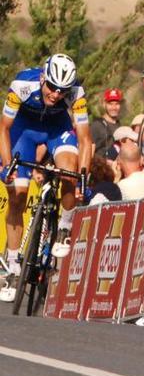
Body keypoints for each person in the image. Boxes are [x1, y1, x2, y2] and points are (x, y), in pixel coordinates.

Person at [0, 54, 93, 301]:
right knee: (18, 198)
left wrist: (83, 175)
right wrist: (8, 165)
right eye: (51, 86)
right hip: (23, 132)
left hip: (57, 130)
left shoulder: (76, 94)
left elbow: (85, 139)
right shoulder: (22, 85)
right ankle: (11, 264)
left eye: (62, 90)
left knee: (69, 173)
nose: (55, 94)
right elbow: (4, 128)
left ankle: (64, 226)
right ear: (43, 78)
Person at [90, 88, 123, 159]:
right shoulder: (96, 125)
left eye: (117, 104)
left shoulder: (119, 125)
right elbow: (89, 150)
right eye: (110, 104)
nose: (114, 107)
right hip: (100, 167)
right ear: (104, 104)